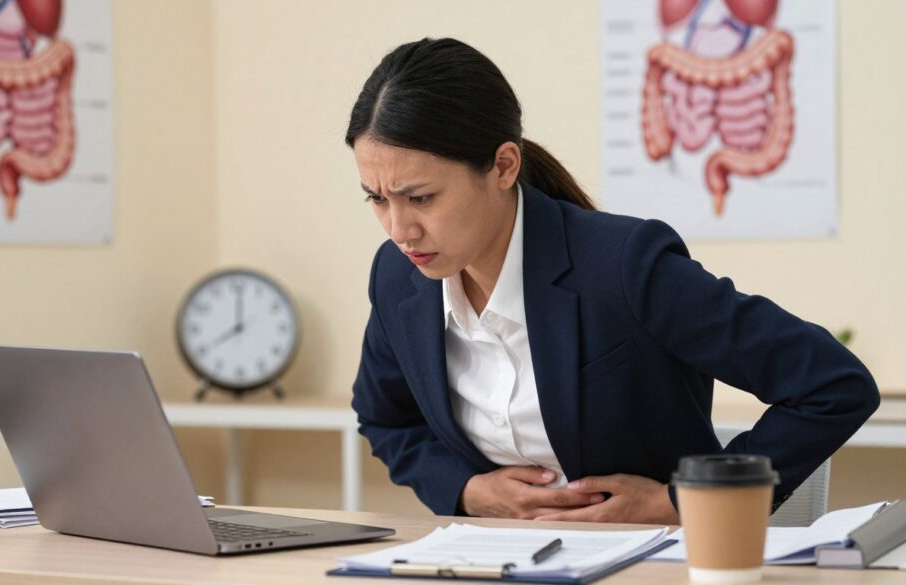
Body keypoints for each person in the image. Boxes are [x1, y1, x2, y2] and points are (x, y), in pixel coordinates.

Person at [345, 37, 879, 524]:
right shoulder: (399, 278)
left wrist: (686, 501)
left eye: (420, 198)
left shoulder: (625, 265)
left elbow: (832, 384)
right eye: (376, 198)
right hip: (494, 559)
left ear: (504, 166)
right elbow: (385, 419)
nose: (399, 229)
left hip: (651, 564)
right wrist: (466, 490)